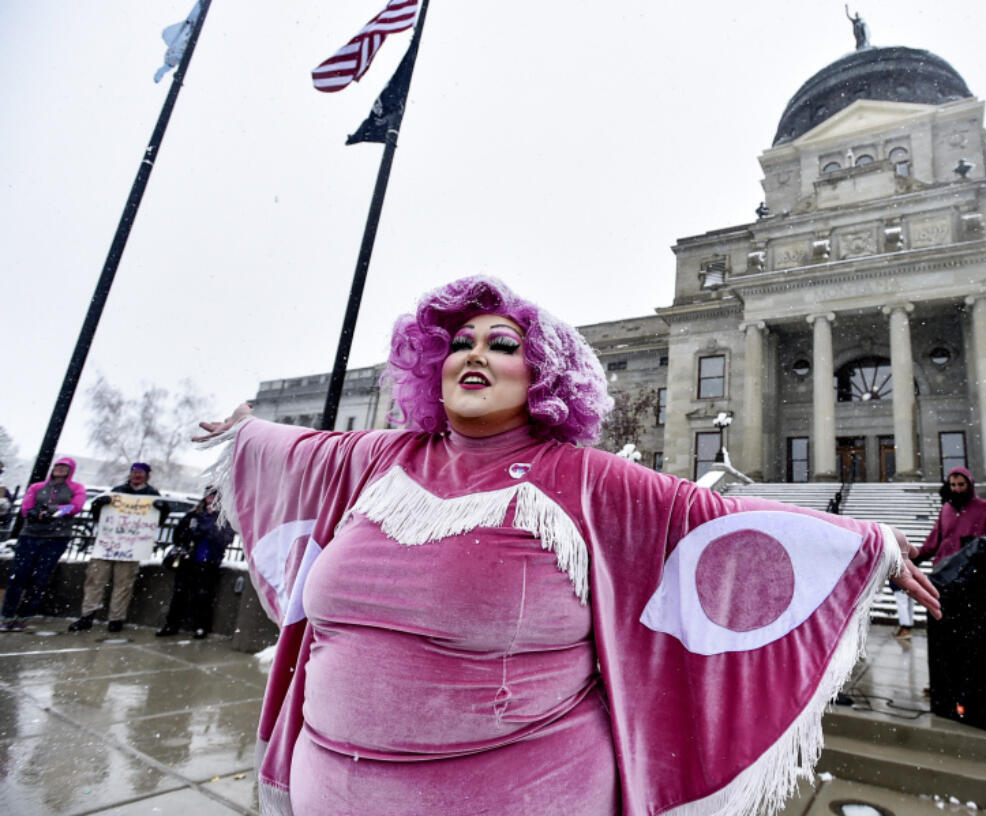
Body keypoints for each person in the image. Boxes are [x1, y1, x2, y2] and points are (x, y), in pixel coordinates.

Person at [193, 276, 940, 816]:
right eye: (457, 343)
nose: (472, 354)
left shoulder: (586, 481)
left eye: (502, 342)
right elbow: (295, 447)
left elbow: (715, 523)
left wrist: (866, 541)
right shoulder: (380, 460)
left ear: (543, 374)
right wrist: (246, 431)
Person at [68, 462, 164, 633]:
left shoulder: (152, 494)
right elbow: (100, 517)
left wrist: (162, 511)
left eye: (141, 473)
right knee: (94, 581)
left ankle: (116, 618)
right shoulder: (117, 491)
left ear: (147, 476)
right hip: (107, 545)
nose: (137, 475)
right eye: (134, 472)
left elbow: (156, 522)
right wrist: (98, 506)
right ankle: (87, 616)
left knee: (123, 584)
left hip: (131, 548)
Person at [2, 457, 86, 631]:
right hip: (30, 535)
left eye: (65, 467)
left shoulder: (76, 488)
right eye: (58, 466)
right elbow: (26, 507)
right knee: (19, 575)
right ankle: (7, 614)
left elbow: (75, 507)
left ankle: (25, 615)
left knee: (41, 577)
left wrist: (52, 513)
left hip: (56, 536)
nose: (61, 470)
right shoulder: (37, 487)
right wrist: (34, 512)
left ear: (71, 471)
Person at [157, 487, 235, 639]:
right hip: (188, 559)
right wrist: (191, 533)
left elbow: (226, 538)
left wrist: (208, 531)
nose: (210, 499)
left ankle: (201, 626)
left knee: (203, 595)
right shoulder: (194, 514)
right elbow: (179, 534)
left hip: (208, 560)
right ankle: (172, 624)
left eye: (214, 496)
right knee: (179, 593)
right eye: (208, 495)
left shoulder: (223, 517)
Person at [916, 466, 986, 568]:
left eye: (961, 484)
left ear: (969, 484)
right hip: (945, 569)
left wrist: (981, 544)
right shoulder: (946, 509)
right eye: (953, 485)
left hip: (974, 569)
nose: (957, 489)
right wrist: (916, 557)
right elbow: (933, 541)